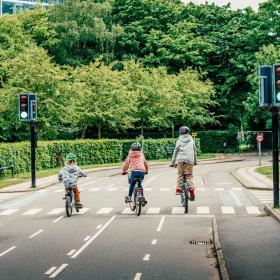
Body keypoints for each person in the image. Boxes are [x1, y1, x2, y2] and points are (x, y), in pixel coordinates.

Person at [169, 126, 197, 201]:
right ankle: (191, 188)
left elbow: (175, 152)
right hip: (189, 160)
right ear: (189, 132)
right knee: (189, 176)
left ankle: (178, 189)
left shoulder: (178, 141)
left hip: (180, 160)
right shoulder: (192, 141)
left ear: (180, 133)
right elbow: (194, 152)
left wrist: (173, 162)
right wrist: (195, 161)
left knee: (180, 174)